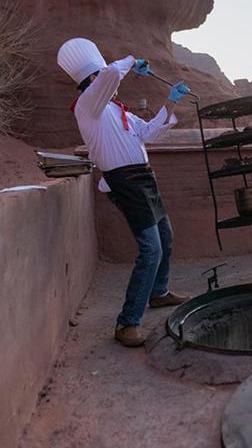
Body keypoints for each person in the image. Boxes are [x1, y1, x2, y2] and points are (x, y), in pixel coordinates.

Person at [57, 38, 191, 347]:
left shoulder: (118, 111)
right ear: (92, 80)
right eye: (101, 74)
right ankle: (127, 323)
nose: (109, 80)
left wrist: (171, 102)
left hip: (144, 179)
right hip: (126, 184)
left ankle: (158, 292)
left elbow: (149, 133)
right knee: (151, 249)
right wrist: (130, 60)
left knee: (165, 237)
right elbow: (110, 76)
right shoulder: (87, 106)